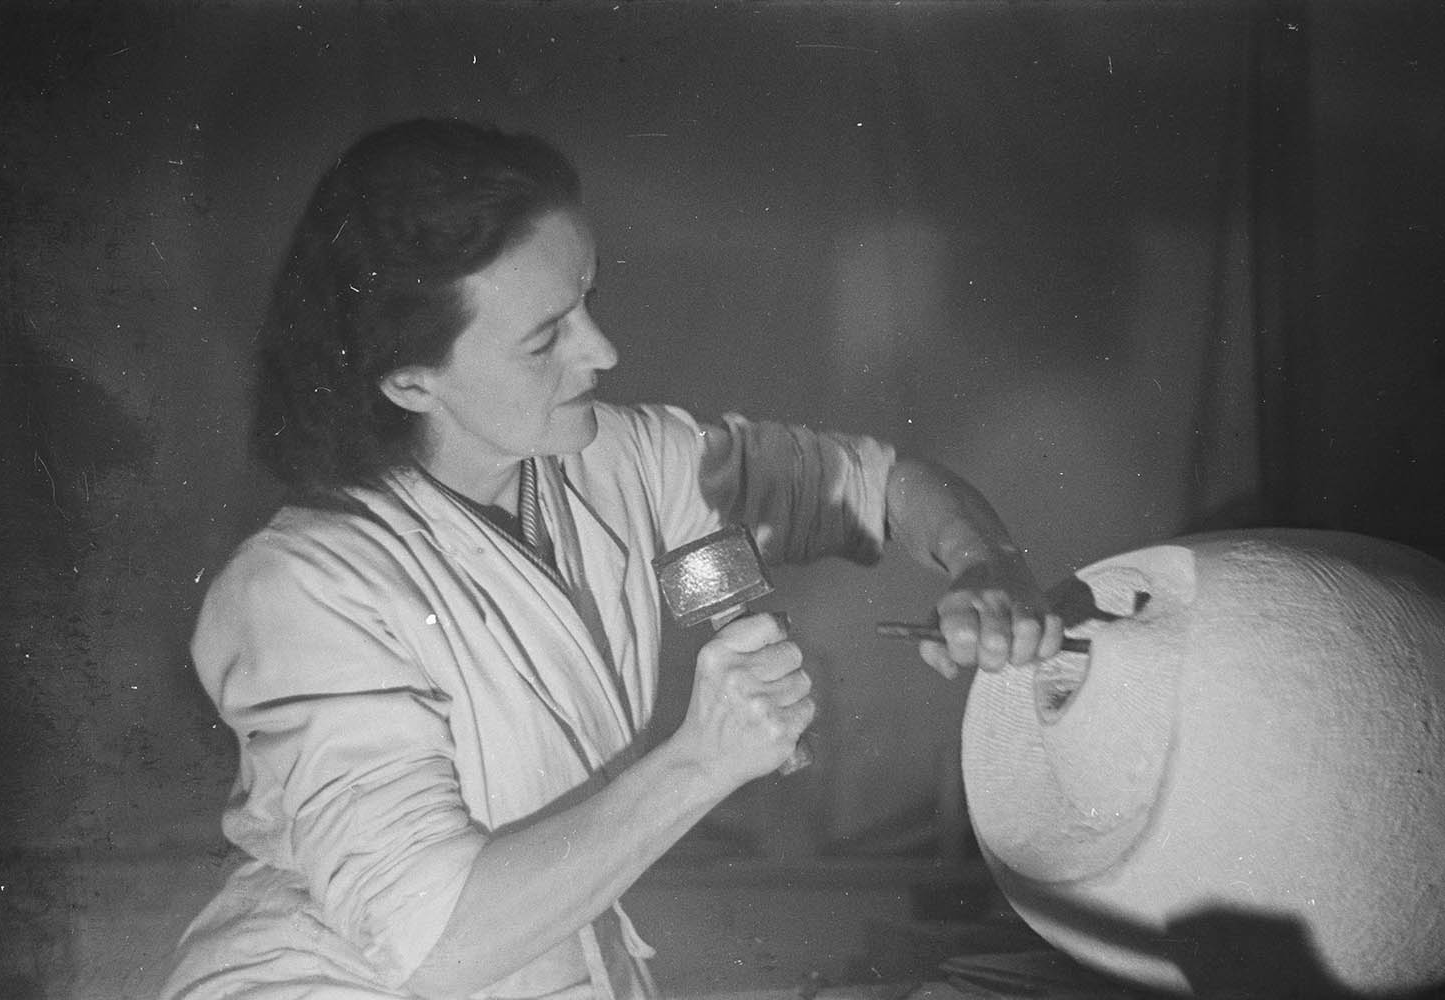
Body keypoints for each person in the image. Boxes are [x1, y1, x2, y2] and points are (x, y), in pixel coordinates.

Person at [160, 117, 1063, 1000]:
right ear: (410, 380)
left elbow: (875, 483)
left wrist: (986, 568)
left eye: (588, 298)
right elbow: (436, 945)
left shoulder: (619, 462)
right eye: (544, 338)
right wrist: (702, 760)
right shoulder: (301, 590)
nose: (602, 350)